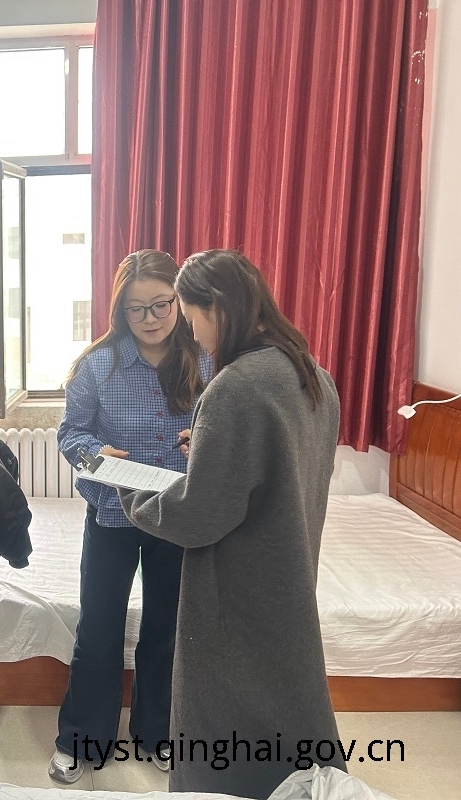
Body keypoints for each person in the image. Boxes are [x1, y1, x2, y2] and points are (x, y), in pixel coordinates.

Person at [117, 249, 345, 799]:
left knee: (221, 732)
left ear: (216, 307)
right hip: (288, 574)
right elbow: (280, 468)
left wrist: (130, 489)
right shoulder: (313, 375)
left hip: (236, 588)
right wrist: (209, 447)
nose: (193, 335)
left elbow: (199, 516)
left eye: (190, 317)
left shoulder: (236, 387)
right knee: (287, 712)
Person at [50, 250, 210, 784]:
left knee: (166, 631)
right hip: (112, 513)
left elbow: (223, 429)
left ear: (178, 301)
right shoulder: (98, 365)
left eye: (161, 305)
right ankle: (82, 740)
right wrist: (95, 455)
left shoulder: (206, 361)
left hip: (176, 515)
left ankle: (157, 734)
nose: (150, 318)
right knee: (98, 629)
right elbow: (71, 434)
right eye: (136, 309)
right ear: (120, 310)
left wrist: (200, 442)